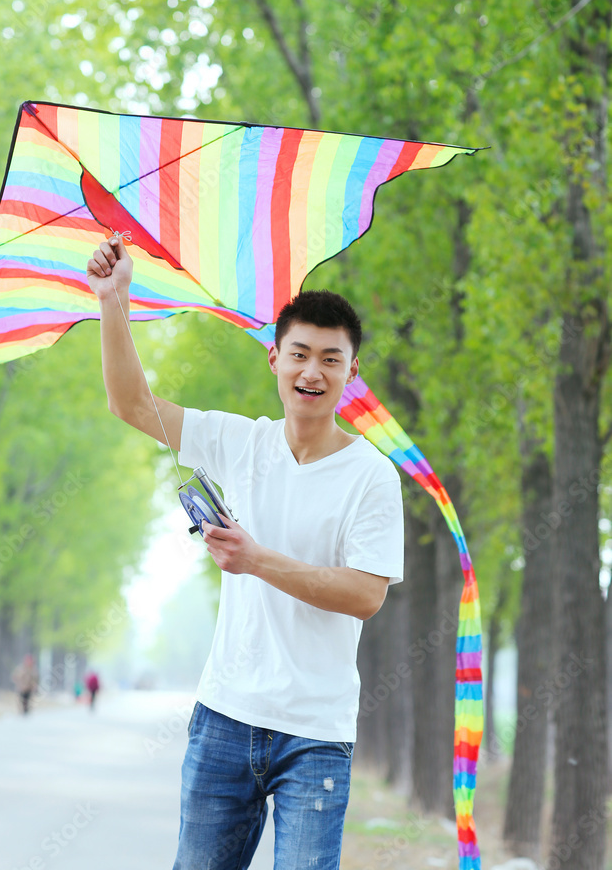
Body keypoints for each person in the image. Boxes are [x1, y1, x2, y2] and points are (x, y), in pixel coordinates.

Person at [86, 236, 404, 870]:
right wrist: (113, 301)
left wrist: (257, 560)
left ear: (352, 372)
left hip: (317, 732)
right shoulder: (238, 442)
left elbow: (366, 595)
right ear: (274, 360)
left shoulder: (372, 476)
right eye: (299, 355)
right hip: (224, 716)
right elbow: (130, 403)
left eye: (330, 359)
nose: (312, 372)